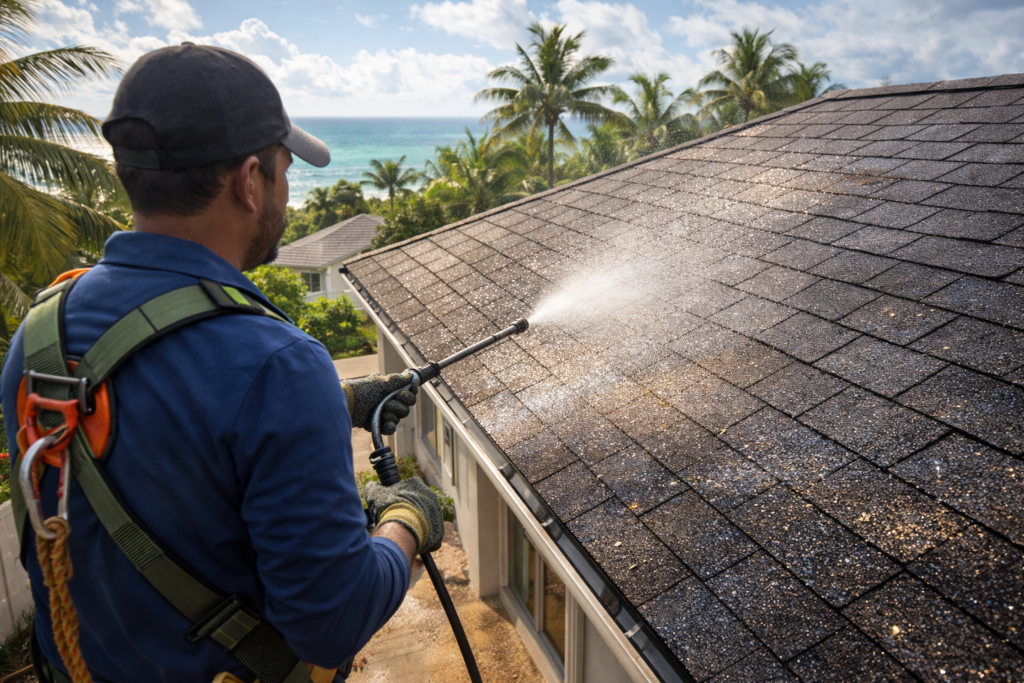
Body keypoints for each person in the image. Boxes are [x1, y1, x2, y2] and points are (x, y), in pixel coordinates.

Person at [0, 44, 443, 682]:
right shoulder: (278, 366)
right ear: (249, 181)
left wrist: (336, 407)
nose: (287, 194)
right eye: (285, 170)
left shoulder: (41, 332)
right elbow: (332, 624)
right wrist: (408, 520)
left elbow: (155, 447)